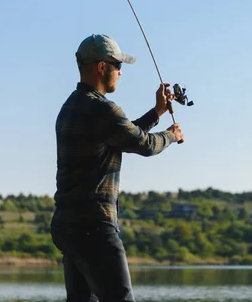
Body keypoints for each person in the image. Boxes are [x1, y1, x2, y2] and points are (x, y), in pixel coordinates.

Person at [50, 34, 184, 302]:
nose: (120, 72)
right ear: (101, 67)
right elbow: (143, 144)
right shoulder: (102, 109)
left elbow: (121, 134)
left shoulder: (71, 106)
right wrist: (171, 134)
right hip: (94, 226)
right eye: (117, 65)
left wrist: (157, 112)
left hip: (67, 225)